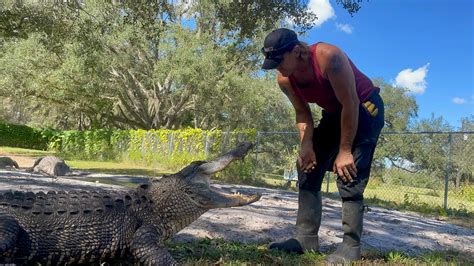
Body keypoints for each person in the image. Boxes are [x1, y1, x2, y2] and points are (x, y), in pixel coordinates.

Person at [262, 28, 384, 264]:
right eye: (272, 62)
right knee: (307, 164)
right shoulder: (284, 79)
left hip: (364, 109)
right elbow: (302, 113)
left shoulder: (330, 57)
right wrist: (306, 145)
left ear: (297, 51)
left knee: (348, 171)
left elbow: (351, 103)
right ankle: (305, 237)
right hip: (335, 113)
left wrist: (345, 150)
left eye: (279, 61)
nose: (277, 67)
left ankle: (351, 245)